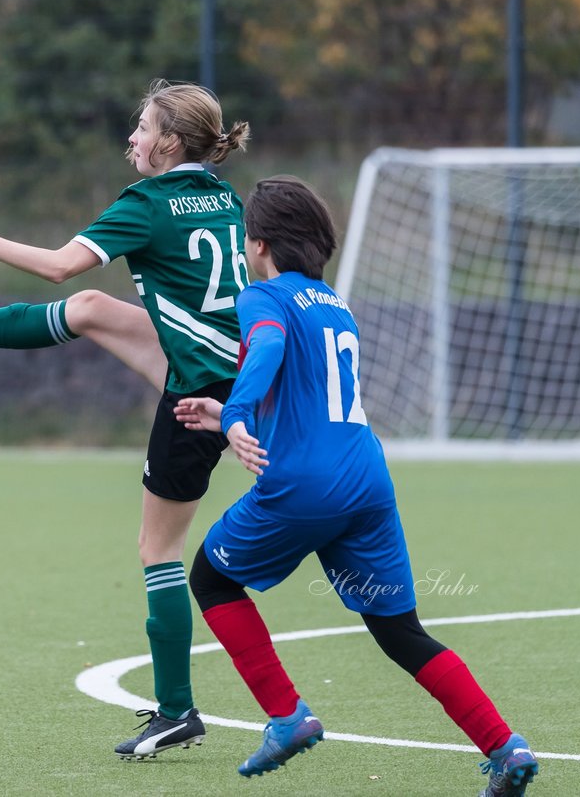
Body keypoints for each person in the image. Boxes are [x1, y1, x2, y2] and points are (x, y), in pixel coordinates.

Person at [0, 79, 250, 759]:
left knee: (158, 552)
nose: (132, 138)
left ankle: (176, 710)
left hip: (199, 392)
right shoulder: (222, 195)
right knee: (92, 310)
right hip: (233, 368)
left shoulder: (149, 203)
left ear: (171, 142)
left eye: (142, 128)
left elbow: (58, 266)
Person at [173, 175, 540, 795]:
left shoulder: (264, 297)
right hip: (366, 483)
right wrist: (232, 417)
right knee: (400, 631)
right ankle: (506, 747)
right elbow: (310, 396)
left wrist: (233, 415)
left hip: (305, 487)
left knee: (210, 577)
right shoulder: (332, 302)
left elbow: (264, 348)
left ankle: (287, 716)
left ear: (257, 245)